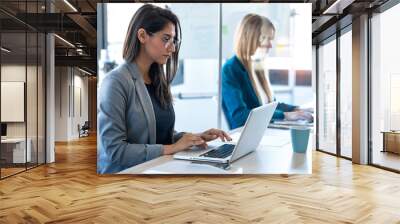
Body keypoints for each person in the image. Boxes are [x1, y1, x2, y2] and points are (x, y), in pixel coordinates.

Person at [98, 4, 231, 174]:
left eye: (173, 41)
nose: (173, 48)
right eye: (166, 39)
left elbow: (158, 136)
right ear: (142, 35)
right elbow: (115, 150)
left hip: (156, 169)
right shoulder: (115, 82)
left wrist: (194, 138)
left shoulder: (157, 79)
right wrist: (174, 147)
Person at [221, 13, 313, 130]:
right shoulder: (231, 69)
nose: (270, 45)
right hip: (245, 135)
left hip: (265, 131)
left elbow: (270, 106)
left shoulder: (257, 66)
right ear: (252, 38)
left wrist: (297, 109)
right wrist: (285, 115)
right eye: (267, 39)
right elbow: (240, 117)